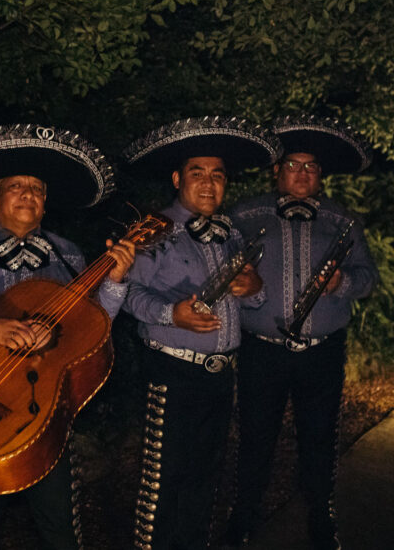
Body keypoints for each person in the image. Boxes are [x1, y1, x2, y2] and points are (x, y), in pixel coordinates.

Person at [0, 124, 136, 550]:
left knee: (59, 527)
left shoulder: (68, 252)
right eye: (15, 186)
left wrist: (115, 282)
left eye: (36, 188)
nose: (28, 195)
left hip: (44, 410)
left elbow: (90, 329)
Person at [120, 117, 280, 549]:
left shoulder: (230, 234)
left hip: (221, 374)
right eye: (197, 173)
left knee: (205, 484)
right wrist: (173, 314)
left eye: (217, 175)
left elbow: (250, 299)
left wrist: (255, 291)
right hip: (173, 374)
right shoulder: (151, 231)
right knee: (162, 485)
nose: (208, 184)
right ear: (177, 179)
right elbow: (126, 296)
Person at [224, 115, 378, 550]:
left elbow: (369, 278)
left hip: (323, 352)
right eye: (293, 165)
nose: (302, 173)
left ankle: (321, 517)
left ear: (321, 174)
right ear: (277, 170)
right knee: (255, 437)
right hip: (263, 350)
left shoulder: (345, 222)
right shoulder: (243, 215)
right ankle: (244, 518)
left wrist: (341, 283)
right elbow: (224, 278)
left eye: (311, 167)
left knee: (320, 437)